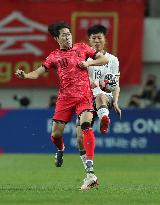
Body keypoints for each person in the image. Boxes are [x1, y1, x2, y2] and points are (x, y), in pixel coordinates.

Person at [15, 21, 108, 190]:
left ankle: (90, 173)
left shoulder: (82, 48)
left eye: (69, 33)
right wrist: (26, 76)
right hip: (64, 99)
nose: (68, 37)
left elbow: (103, 58)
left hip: (84, 97)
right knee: (56, 135)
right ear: (57, 38)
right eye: (64, 35)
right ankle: (60, 149)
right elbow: (38, 73)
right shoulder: (54, 56)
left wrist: (88, 63)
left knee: (86, 126)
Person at [76, 24, 121, 176]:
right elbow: (81, 78)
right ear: (88, 40)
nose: (96, 40)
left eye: (99, 37)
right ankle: (89, 170)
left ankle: (104, 118)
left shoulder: (113, 60)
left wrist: (115, 101)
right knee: (80, 139)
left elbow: (115, 84)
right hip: (85, 98)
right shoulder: (83, 58)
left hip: (103, 97)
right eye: (93, 38)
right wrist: (92, 82)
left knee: (101, 95)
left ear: (105, 40)